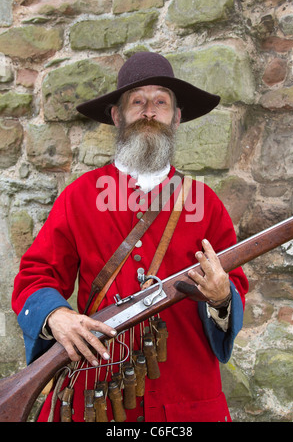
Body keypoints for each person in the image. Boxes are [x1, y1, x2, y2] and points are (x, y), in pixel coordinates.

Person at [12, 52, 248, 422]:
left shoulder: (206, 203)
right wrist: (56, 315)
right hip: (97, 395)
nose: (149, 112)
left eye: (160, 102)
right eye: (137, 101)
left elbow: (234, 284)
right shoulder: (79, 196)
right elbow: (35, 276)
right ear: (117, 115)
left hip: (187, 398)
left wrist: (221, 298)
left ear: (177, 116)